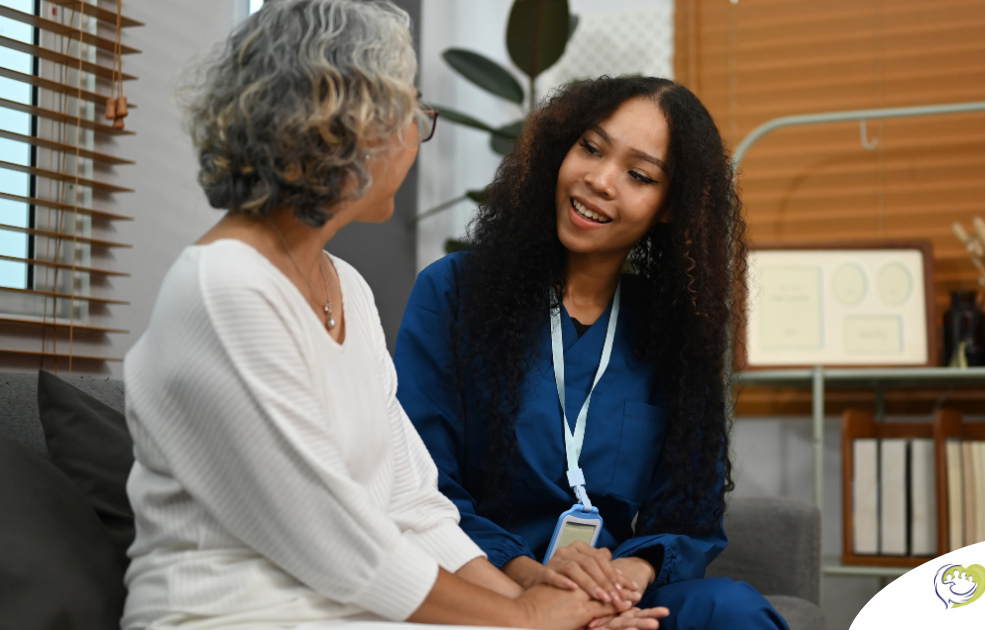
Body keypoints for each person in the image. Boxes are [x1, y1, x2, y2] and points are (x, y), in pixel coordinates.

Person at [121, 2, 661, 628]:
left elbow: (415, 506)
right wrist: (527, 621)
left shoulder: (345, 286)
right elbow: (336, 545)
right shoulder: (225, 287)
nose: (418, 130)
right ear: (344, 125)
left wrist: (535, 605)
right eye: (412, 111)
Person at [394, 76, 789, 630]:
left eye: (639, 174)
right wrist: (536, 585)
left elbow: (689, 508)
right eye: (591, 148)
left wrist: (627, 578)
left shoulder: (676, 331)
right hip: (491, 588)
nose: (600, 180)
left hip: (617, 597)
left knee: (733, 610)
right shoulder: (453, 294)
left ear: (669, 206)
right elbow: (421, 482)